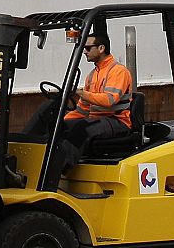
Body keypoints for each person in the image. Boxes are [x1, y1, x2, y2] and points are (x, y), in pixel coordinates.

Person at [25, 32, 134, 191]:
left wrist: (82, 93)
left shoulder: (118, 71)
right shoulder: (93, 75)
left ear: (101, 48)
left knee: (80, 130)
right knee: (57, 125)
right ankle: (32, 166)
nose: (84, 51)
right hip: (96, 119)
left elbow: (110, 100)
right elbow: (83, 110)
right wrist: (62, 122)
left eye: (88, 48)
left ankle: (55, 174)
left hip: (117, 121)